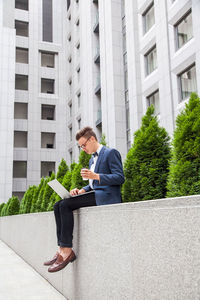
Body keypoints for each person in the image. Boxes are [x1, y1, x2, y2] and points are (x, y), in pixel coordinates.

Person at [44, 126, 125, 272]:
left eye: (84, 145)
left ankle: (68, 251)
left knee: (65, 205)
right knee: (58, 205)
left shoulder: (110, 153)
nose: (83, 149)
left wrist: (96, 176)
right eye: (80, 146)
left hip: (107, 197)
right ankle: (61, 249)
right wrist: (82, 190)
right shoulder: (91, 160)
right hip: (96, 193)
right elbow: (93, 185)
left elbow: (120, 178)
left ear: (92, 139)